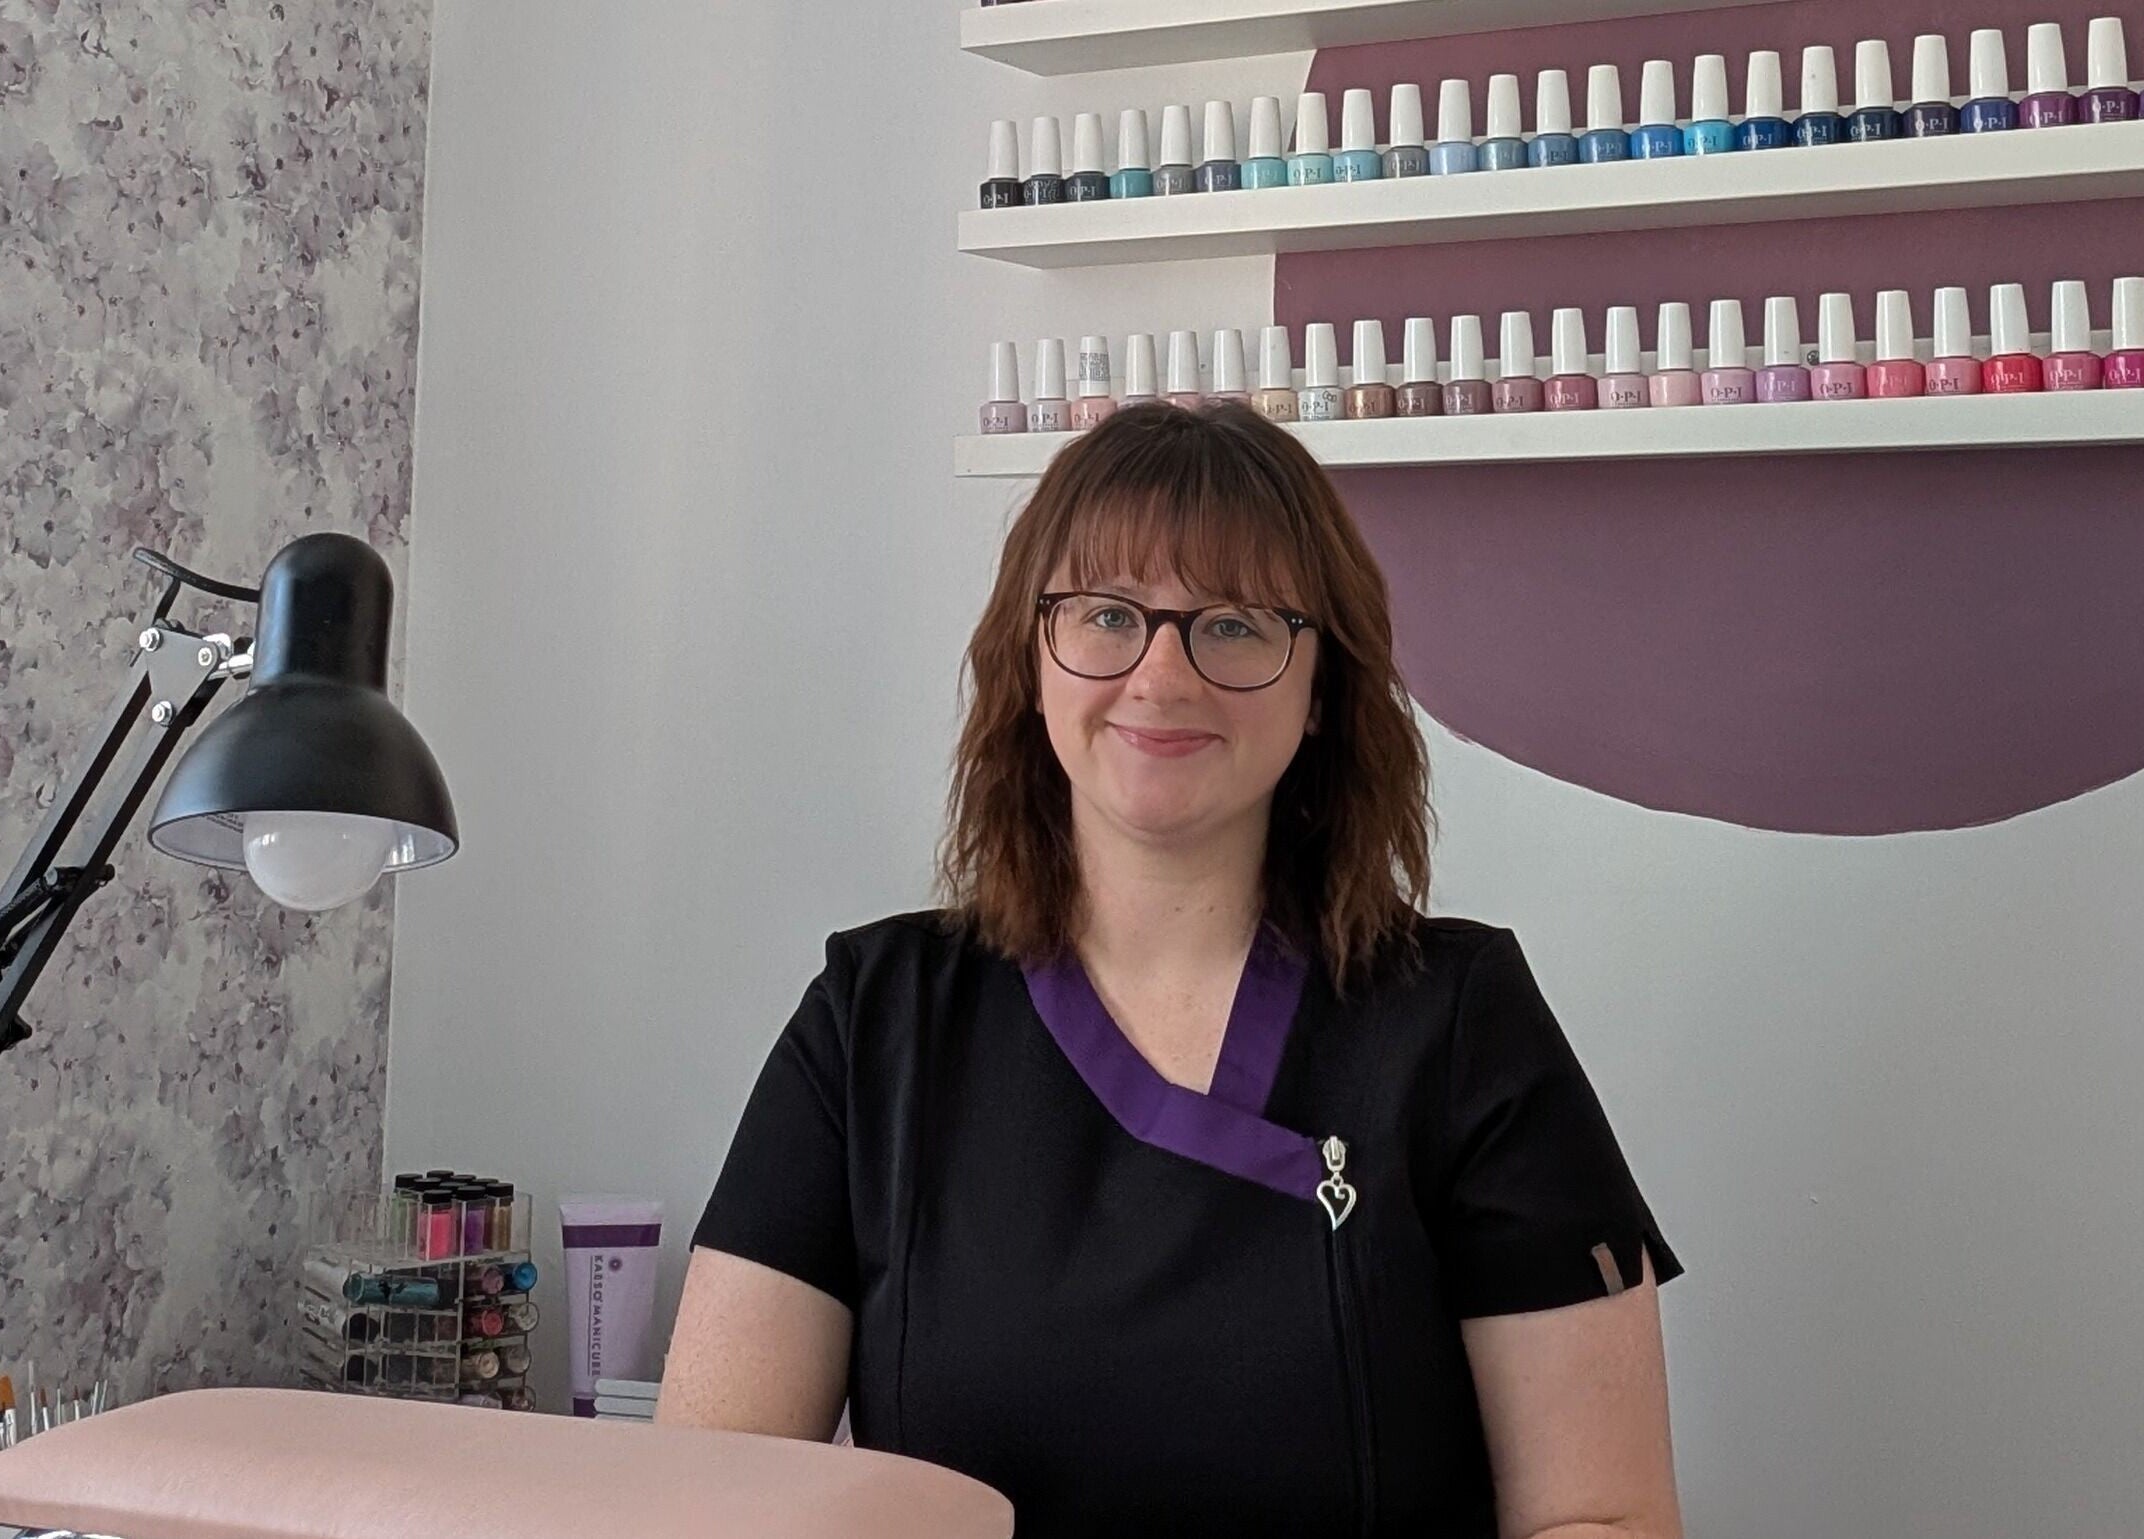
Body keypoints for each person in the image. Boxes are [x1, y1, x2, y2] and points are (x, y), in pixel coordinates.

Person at [657, 402, 1685, 1538]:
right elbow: (714, 1502)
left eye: (1233, 625)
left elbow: (1600, 1519)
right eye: (1106, 614)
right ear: (1030, 658)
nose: (1159, 675)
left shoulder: (1457, 1023)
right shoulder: (873, 1023)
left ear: (1321, 691)